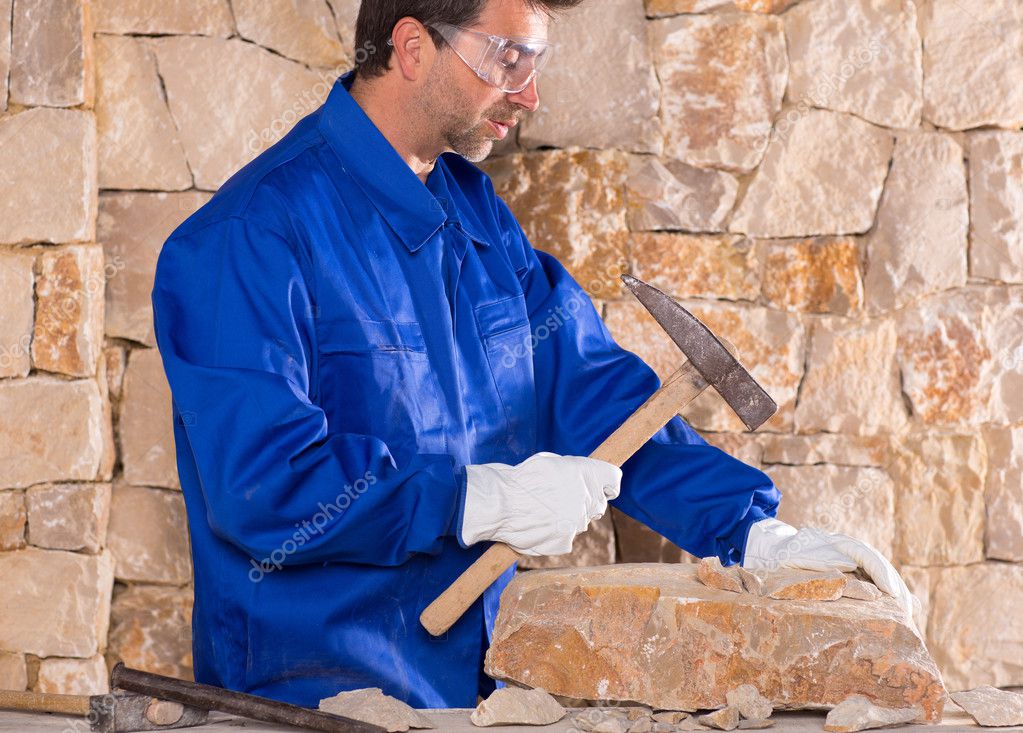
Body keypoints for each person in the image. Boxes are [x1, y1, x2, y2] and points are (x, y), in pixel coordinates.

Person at [151, 0, 916, 710]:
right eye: (507, 60)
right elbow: (262, 483)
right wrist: (471, 500)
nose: (529, 95)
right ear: (412, 47)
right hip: (315, 699)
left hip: (479, 691)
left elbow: (593, 396)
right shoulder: (248, 238)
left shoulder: (475, 213)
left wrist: (751, 532)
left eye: (534, 64)